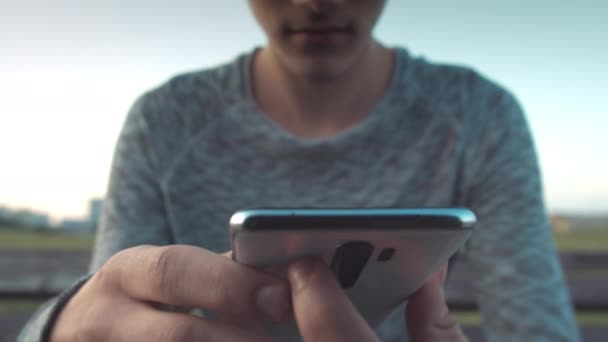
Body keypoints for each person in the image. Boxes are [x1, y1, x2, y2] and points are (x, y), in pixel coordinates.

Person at [20, 0, 579, 341]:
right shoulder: (165, 120)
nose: (316, 1)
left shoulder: (478, 116)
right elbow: (110, 312)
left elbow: (536, 327)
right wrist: (59, 328)